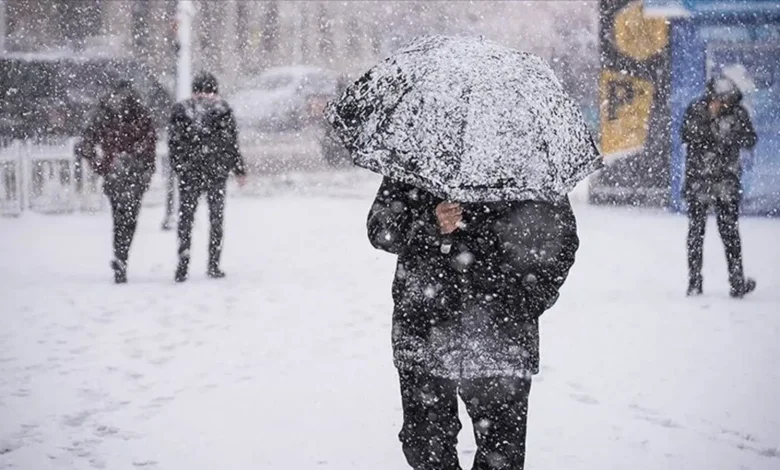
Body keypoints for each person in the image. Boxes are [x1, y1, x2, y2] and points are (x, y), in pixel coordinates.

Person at [367, 177, 579, 470]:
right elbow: (380, 229)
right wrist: (430, 221)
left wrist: (526, 300)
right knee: (425, 446)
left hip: (502, 336)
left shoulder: (526, 161)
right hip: (425, 329)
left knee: (502, 455)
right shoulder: (419, 154)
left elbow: (562, 240)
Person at [682, 76, 758, 298]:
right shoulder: (697, 110)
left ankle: (736, 282)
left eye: (727, 100)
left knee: (730, 233)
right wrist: (711, 122)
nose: (723, 104)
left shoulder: (738, 113)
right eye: (719, 100)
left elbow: (750, 139)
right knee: (696, 232)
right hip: (699, 181)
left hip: (726, 181)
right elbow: (687, 135)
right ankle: (694, 282)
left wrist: (728, 132)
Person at [168, 71, 247, 282]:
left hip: (190, 173)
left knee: (186, 218)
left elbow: (174, 143)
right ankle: (213, 263)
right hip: (215, 172)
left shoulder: (181, 110)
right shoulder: (222, 109)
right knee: (216, 218)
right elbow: (231, 143)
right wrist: (238, 169)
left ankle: (183, 261)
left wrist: (180, 167)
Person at [76, 80, 156, 284]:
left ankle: (120, 257)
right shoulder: (139, 113)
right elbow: (150, 146)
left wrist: (101, 165)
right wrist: (146, 169)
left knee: (119, 218)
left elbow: (87, 143)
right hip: (132, 172)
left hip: (116, 171)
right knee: (129, 219)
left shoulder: (105, 113)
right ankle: (122, 256)